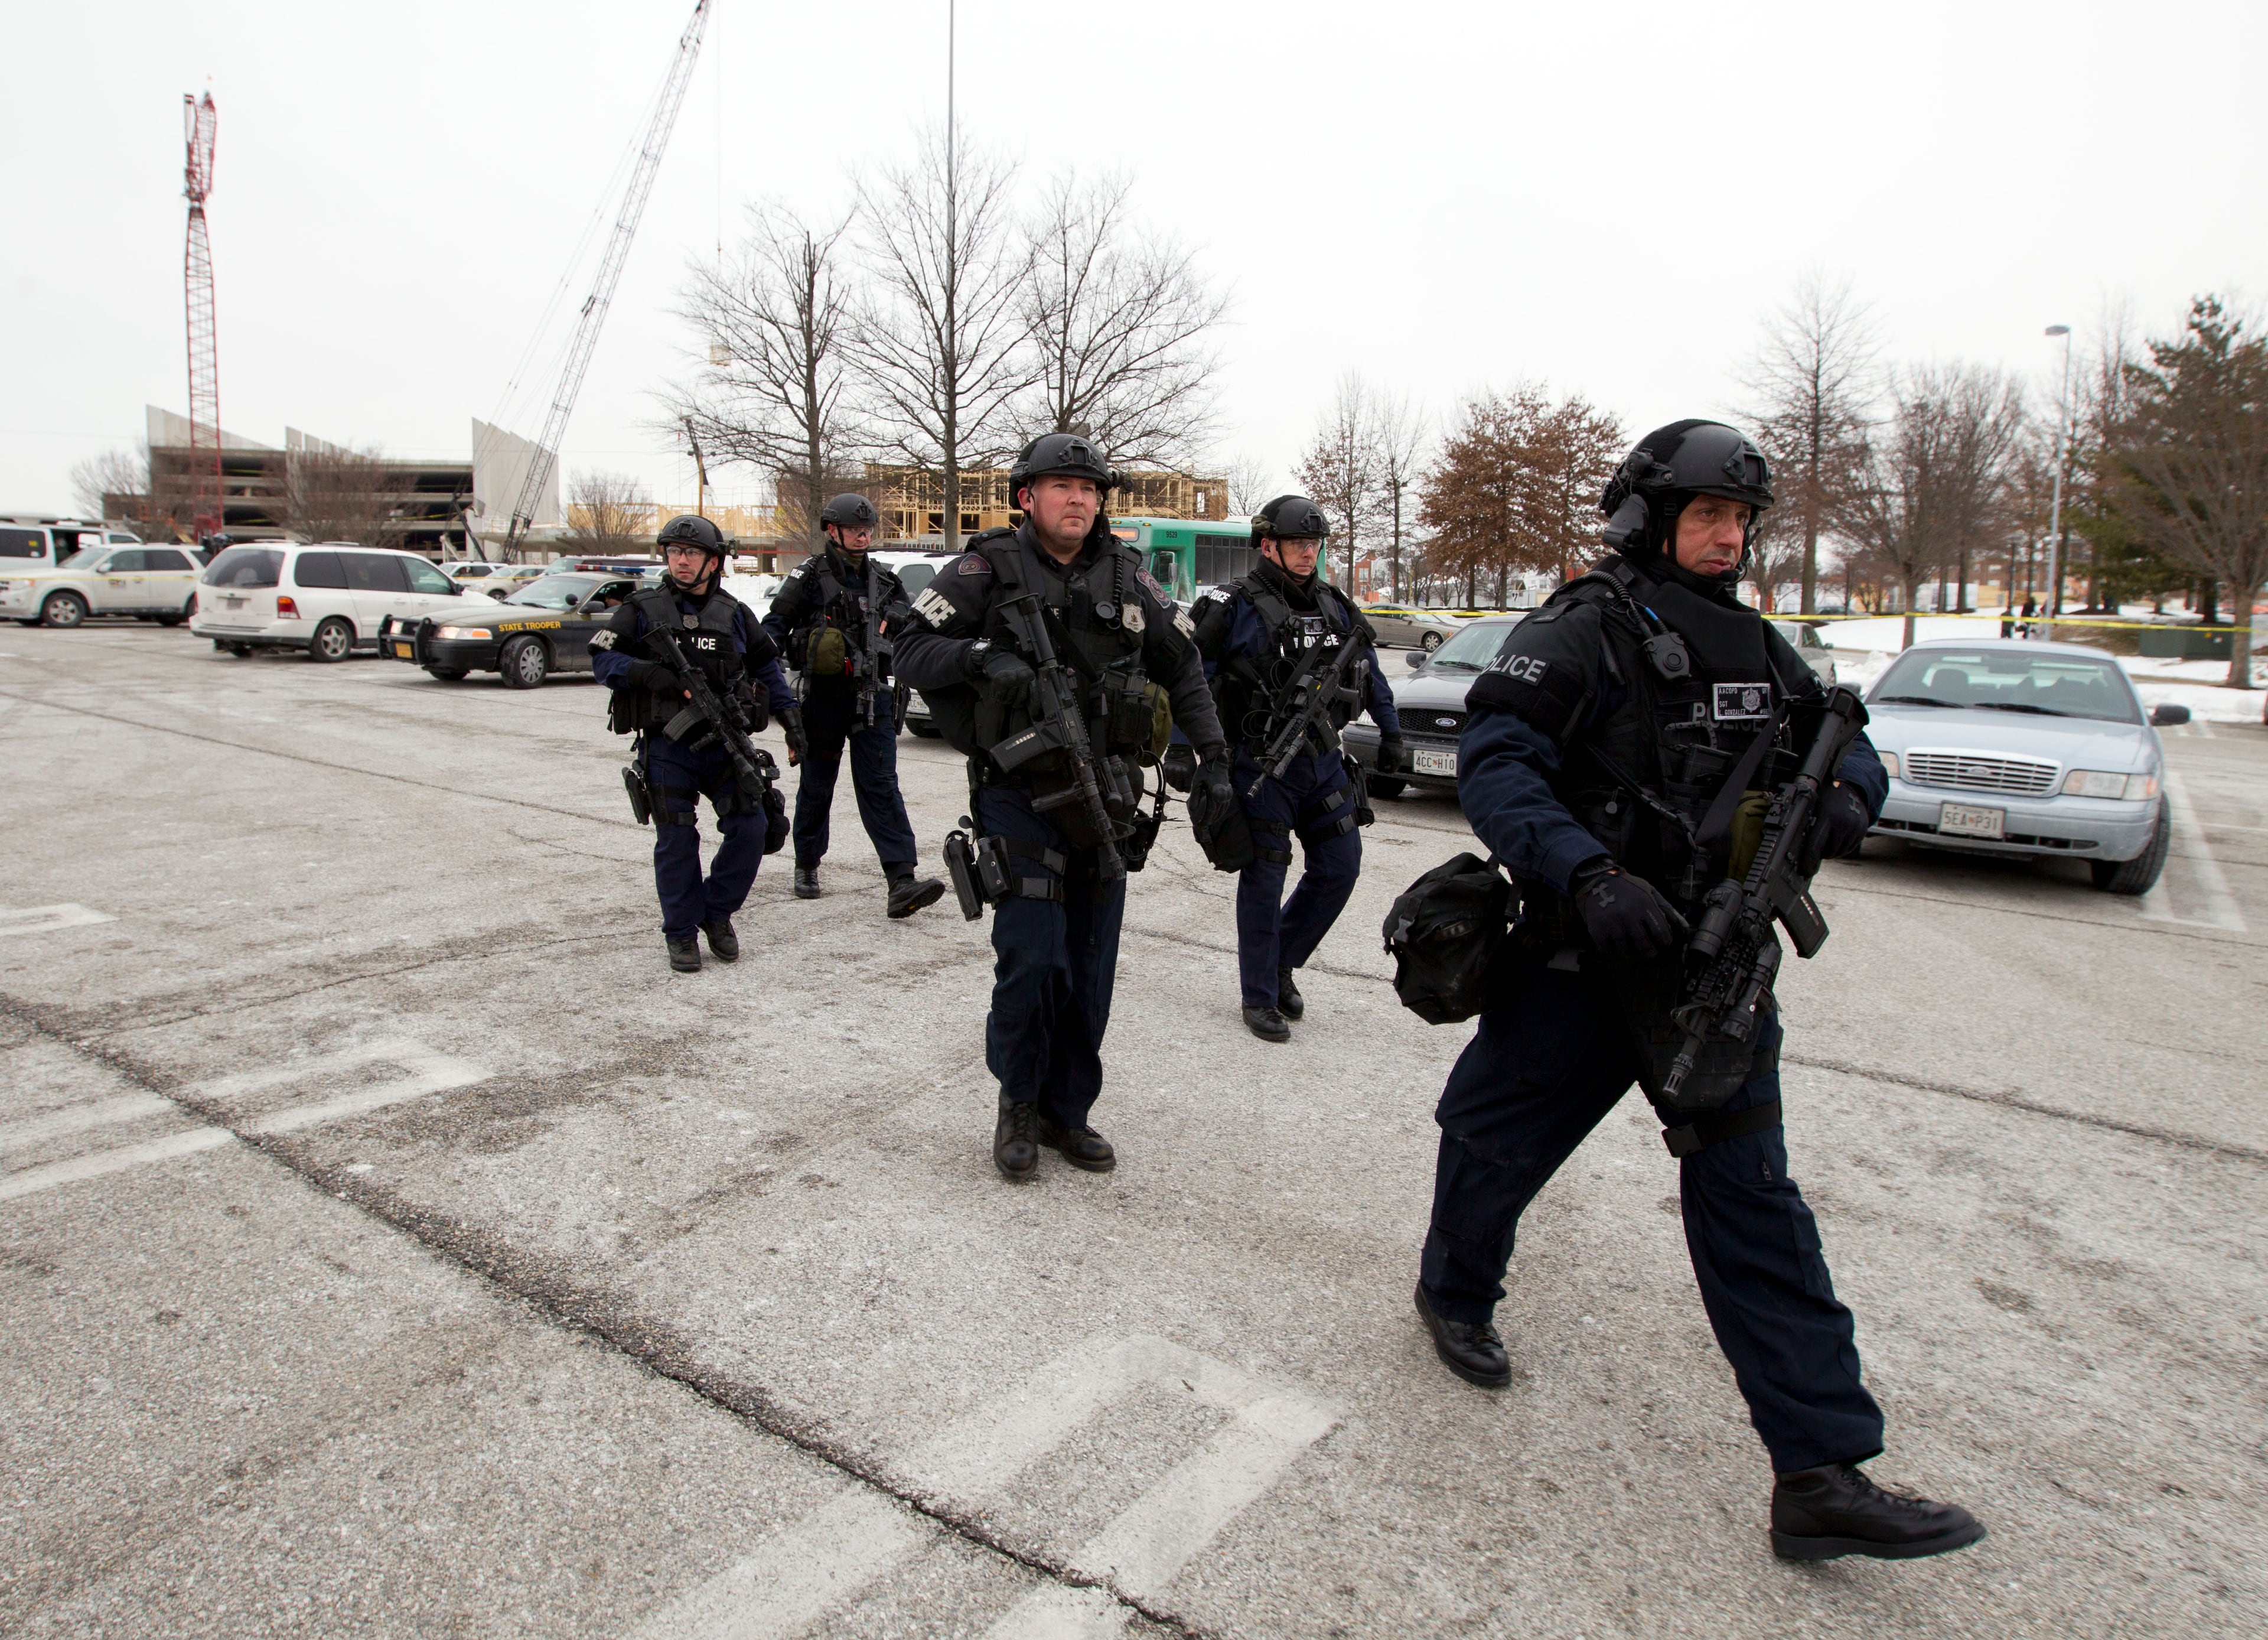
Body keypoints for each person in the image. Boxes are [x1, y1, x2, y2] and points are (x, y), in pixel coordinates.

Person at [1413, 420, 1985, 1563]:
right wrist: (1585, 870)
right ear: (1648, 517)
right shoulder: (1583, 628)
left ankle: (1819, 1470)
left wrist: (1841, 805)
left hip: (1712, 975)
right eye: (1707, 516)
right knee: (1492, 1147)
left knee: (1756, 1207)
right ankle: (1454, 1292)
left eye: (1739, 520)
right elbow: (1497, 762)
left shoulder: (1760, 645)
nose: (1727, 538)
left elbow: (1845, 744)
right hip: (1583, 962)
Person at [893, 432, 1231, 1181]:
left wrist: (1216, 761)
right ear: (1027, 497)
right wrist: (979, 658)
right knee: (1032, 957)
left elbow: (1186, 669)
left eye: (1090, 488)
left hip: (1106, 795)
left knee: (1089, 967)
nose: (1079, 498)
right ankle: (1018, 1102)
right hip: (1019, 795)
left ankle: (1065, 1111)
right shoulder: (986, 568)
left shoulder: (1129, 577)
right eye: (1062, 486)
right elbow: (909, 647)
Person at [1190, 494, 1405, 1040]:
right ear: (1268, 545)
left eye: (1313, 544)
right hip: (1261, 762)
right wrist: (1189, 753)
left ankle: (1281, 960)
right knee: (1265, 877)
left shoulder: (1335, 605)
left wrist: (1392, 731)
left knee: (1340, 867)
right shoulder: (1231, 604)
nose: (1308, 553)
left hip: (1324, 761)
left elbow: (1370, 670)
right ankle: (1259, 995)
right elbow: (1188, 677)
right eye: (1297, 544)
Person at [591, 515, 800, 973]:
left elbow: (768, 669)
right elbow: (604, 658)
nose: (681, 561)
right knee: (677, 837)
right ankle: (682, 932)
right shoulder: (642, 608)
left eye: (692, 553)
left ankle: (716, 912)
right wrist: (647, 673)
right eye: (674, 553)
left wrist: (791, 720)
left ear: (714, 561)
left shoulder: (735, 613)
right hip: (668, 743)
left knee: (752, 827)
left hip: (725, 743)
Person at [761, 492, 946, 919]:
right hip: (824, 698)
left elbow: (916, 616)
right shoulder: (809, 577)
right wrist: (779, 666)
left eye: (867, 530)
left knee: (881, 787)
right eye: (854, 529)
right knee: (817, 784)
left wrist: (901, 618)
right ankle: (807, 864)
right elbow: (772, 627)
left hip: (873, 696)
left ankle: (901, 879)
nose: (862, 536)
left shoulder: (882, 579)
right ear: (832, 530)